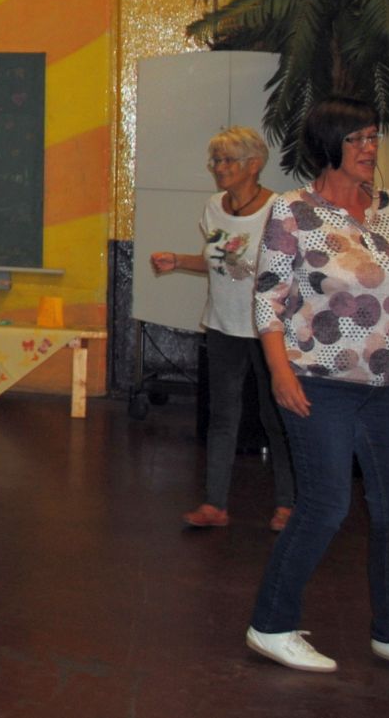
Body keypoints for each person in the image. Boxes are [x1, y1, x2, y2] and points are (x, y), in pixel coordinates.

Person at [244, 96, 389, 682]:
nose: (370, 148)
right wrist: (280, 372)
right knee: (326, 504)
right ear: (328, 146)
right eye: (357, 138)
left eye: (374, 137)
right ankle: (272, 625)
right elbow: (268, 299)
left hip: (388, 384)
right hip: (319, 382)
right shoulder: (293, 210)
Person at [148, 127, 294, 532]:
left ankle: (288, 504)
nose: (219, 168)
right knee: (222, 416)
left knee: (275, 417)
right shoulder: (214, 207)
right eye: (216, 161)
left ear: (254, 164)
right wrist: (178, 260)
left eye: (228, 160)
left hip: (267, 331)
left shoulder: (279, 210)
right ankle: (215, 505)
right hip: (222, 325)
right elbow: (220, 260)